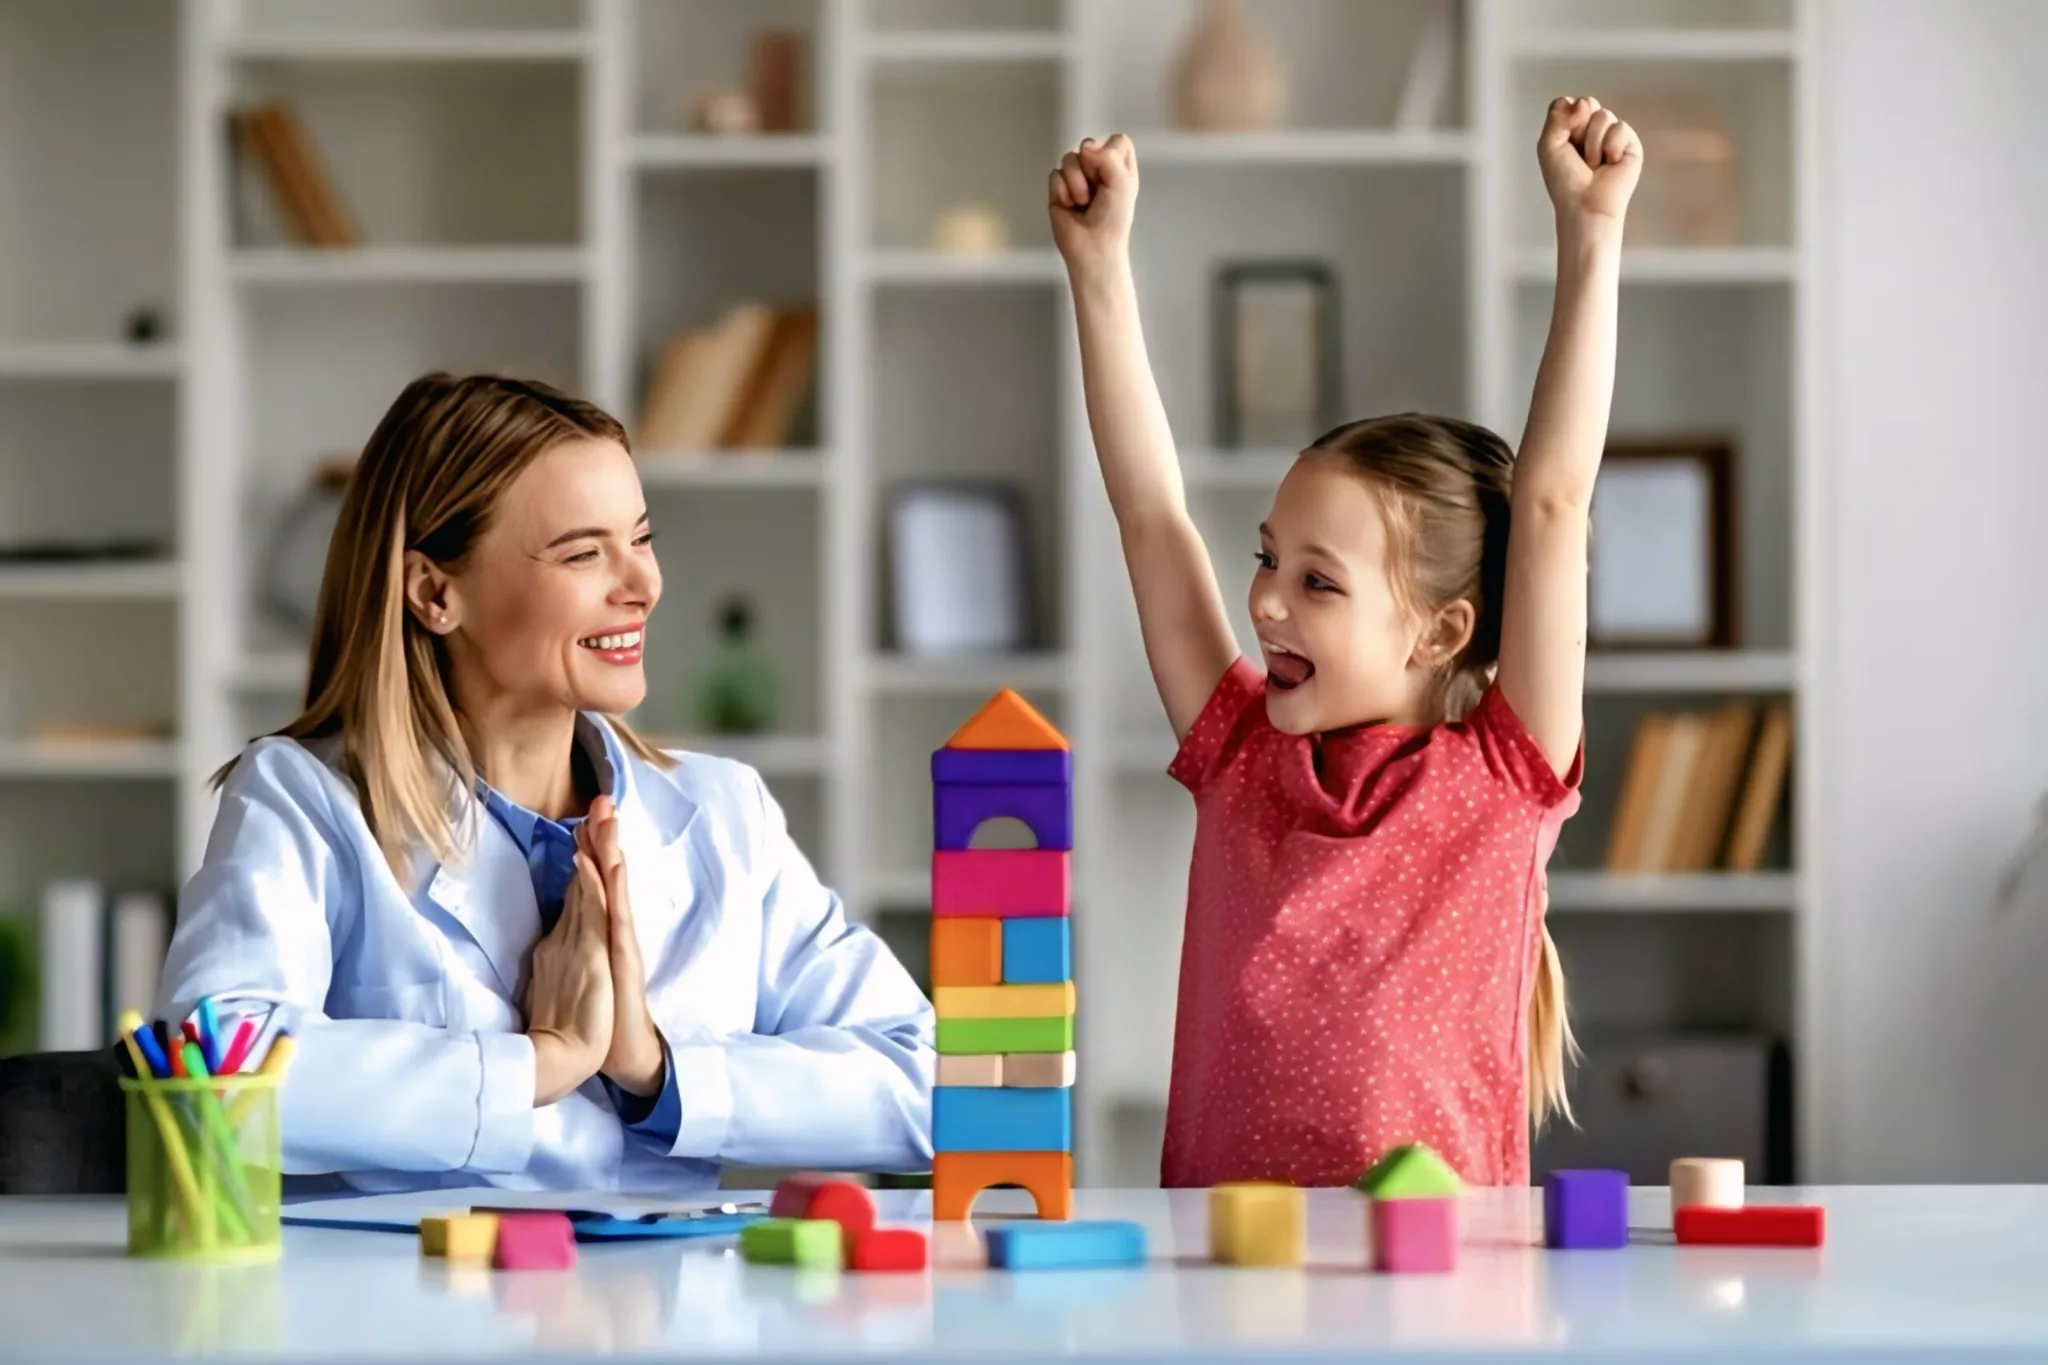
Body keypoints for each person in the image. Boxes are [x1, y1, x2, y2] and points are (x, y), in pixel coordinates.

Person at [1048, 97, 1641, 1187]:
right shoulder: (1239, 758)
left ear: (1442, 631)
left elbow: (1552, 502)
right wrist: (1097, 271)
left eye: (1317, 582)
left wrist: (1588, 233)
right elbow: (1151, 515)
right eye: (1268, 559)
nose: (1266, 602)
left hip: (1443, 1283)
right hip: (1226, 1277)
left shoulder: (1503, 777)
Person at [158, 374, 933, 1193]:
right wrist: (534, 1065)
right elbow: (209, 1080)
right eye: (584, 552)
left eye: (641, 537)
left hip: (670, 1312)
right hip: (410, 1309)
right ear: (434, 591)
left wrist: (658, 1069)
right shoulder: (305, 799)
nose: (643, 584)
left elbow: (931, 1084)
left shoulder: (721, 812)